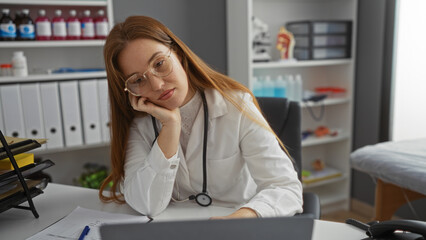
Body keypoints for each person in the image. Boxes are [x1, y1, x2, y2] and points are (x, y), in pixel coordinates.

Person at [99, 16, 303, 219]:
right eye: (138, 80)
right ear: (129, 90)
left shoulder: (236, 106)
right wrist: (170, 127)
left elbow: (286, 188)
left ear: (178, 54)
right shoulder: (141, 125)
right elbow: (145, 205)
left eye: (159, 63)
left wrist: (244, 216)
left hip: (235, 225)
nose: (157, 85)